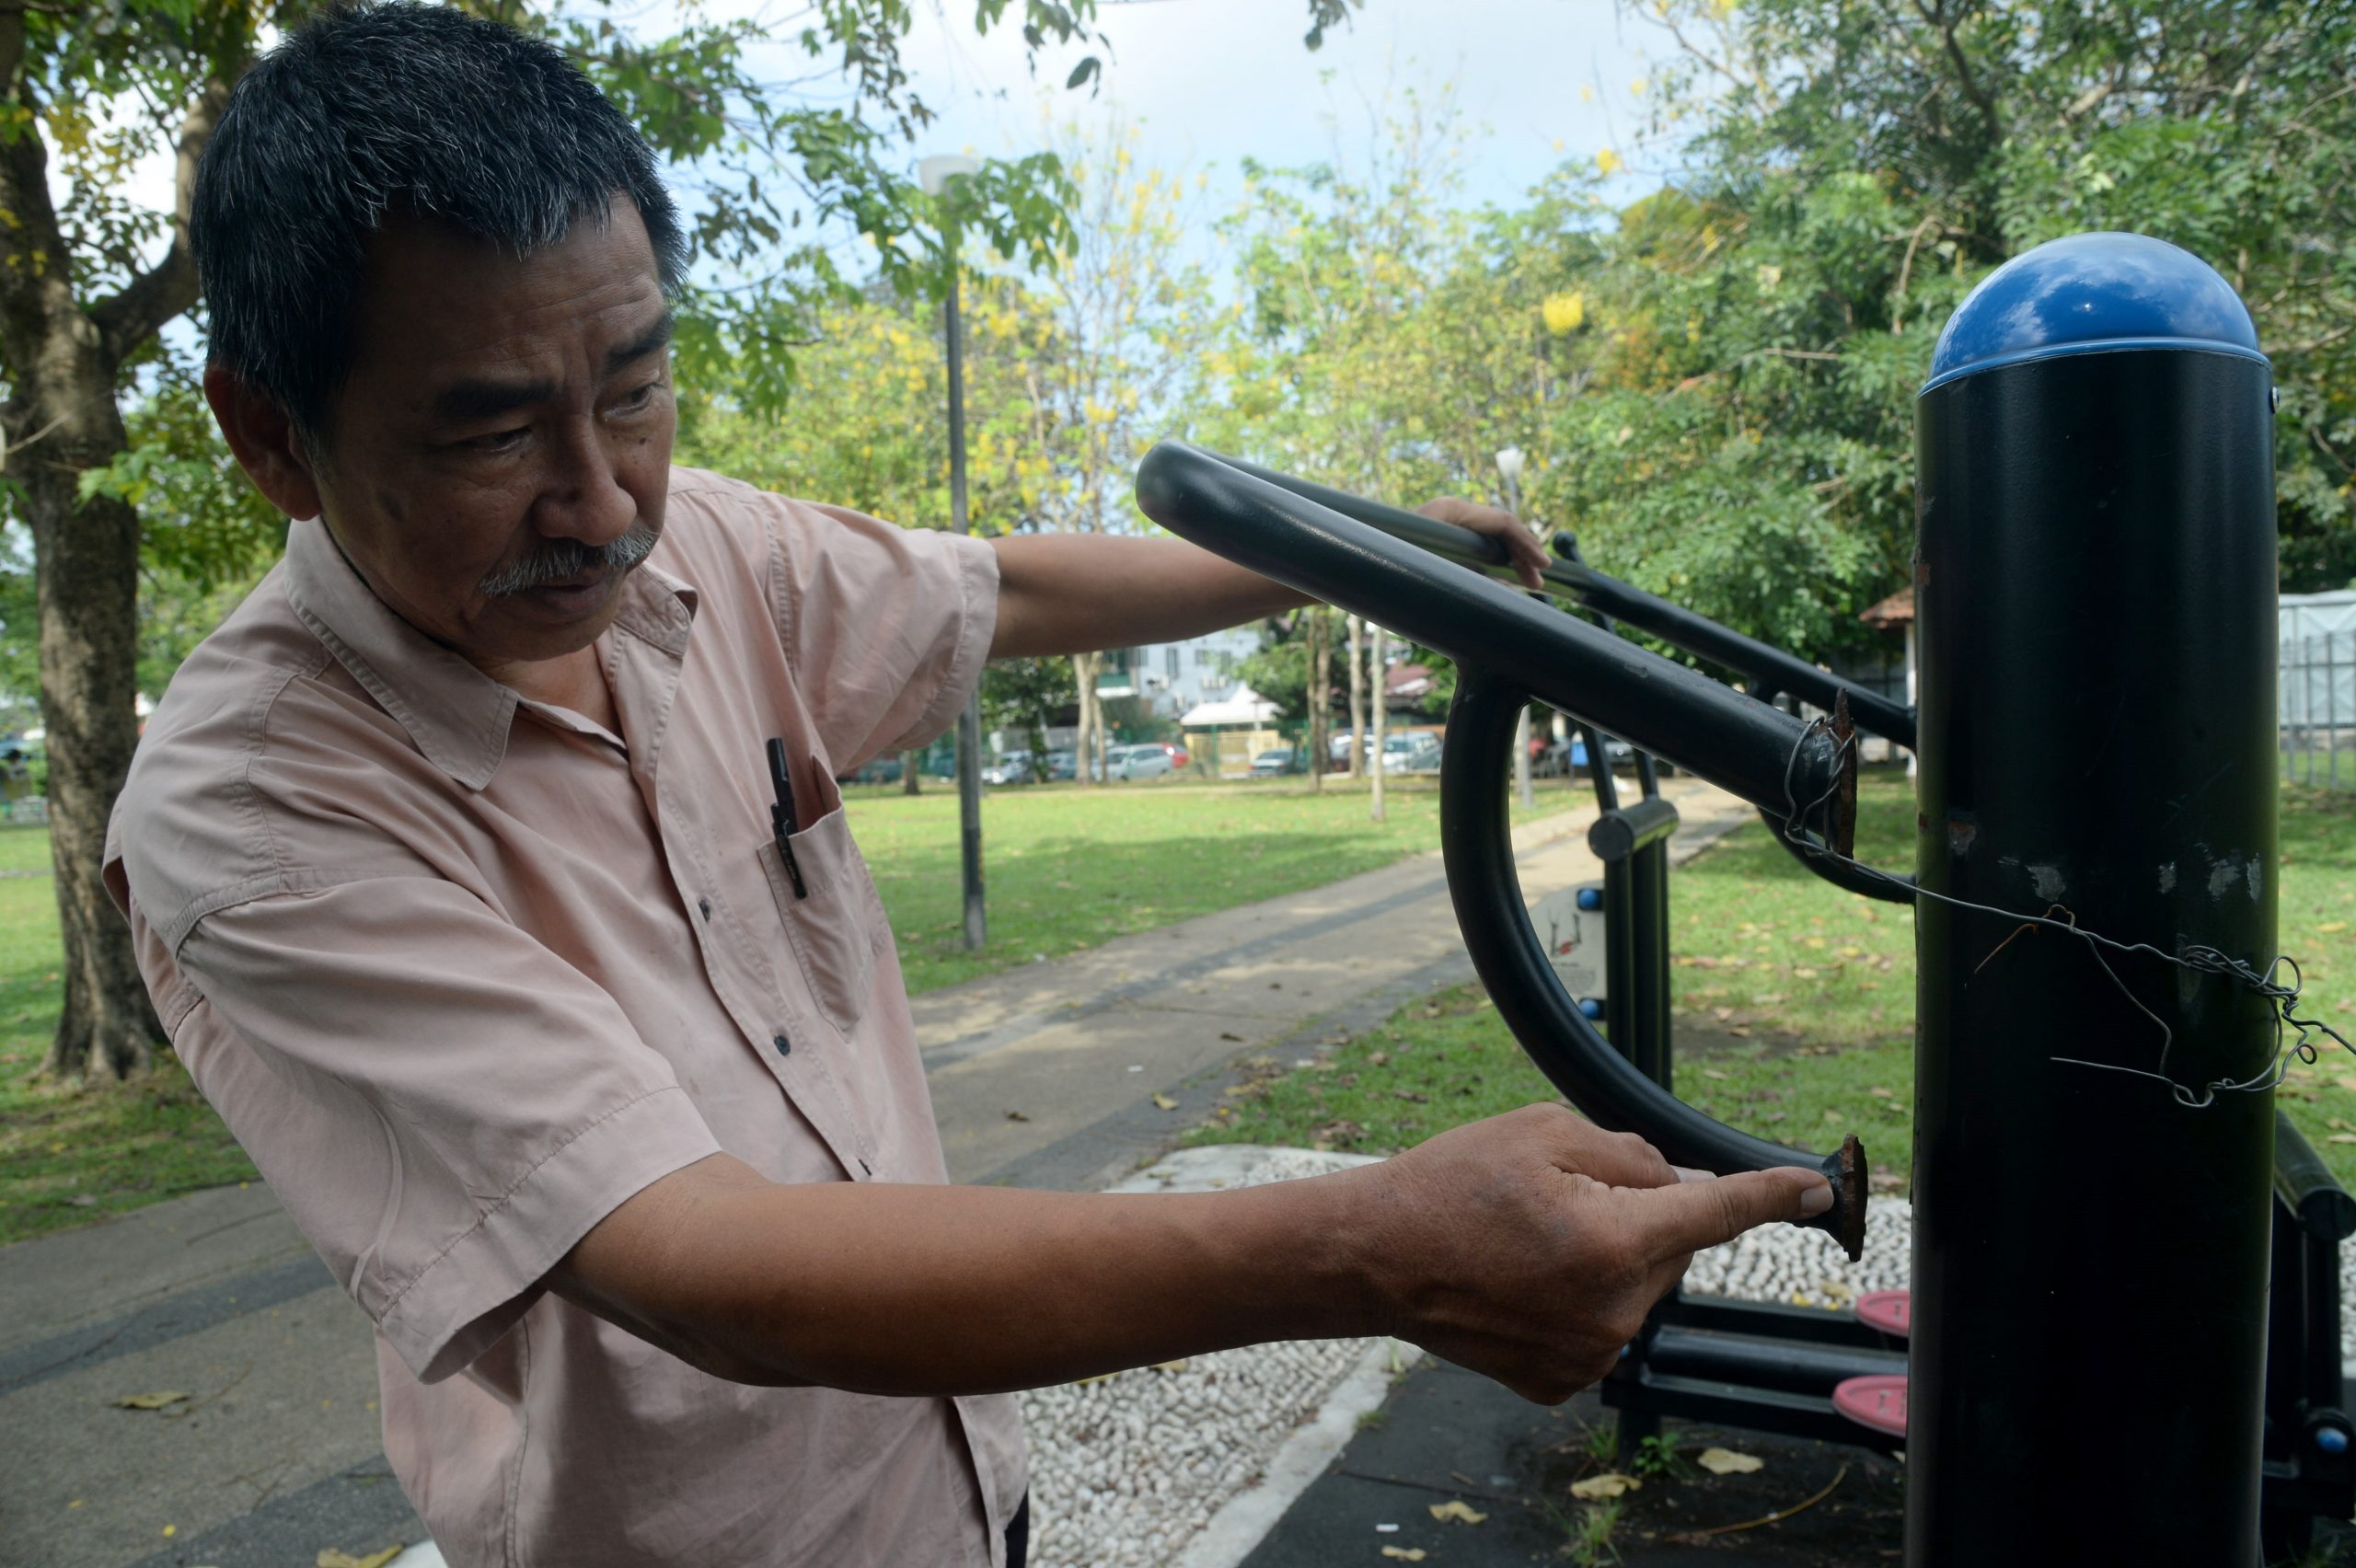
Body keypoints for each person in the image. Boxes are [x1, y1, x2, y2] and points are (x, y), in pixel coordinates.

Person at [104, 6, 1833, 1565]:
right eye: (491, 434)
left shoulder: (702, 558)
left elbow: (1013, 591)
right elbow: (712, 1268)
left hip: (954, 1502)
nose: (603, 499)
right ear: (267, 435)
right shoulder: (258, 818)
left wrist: (1361, 559)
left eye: (634, 389)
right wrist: (1366, 1247)